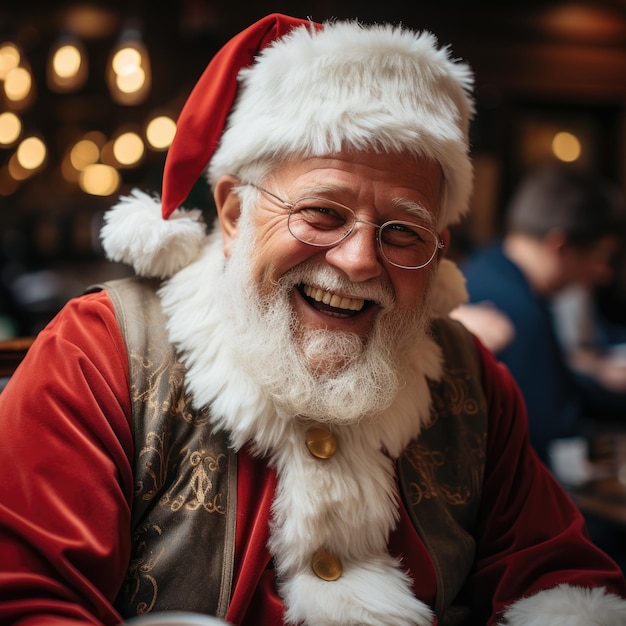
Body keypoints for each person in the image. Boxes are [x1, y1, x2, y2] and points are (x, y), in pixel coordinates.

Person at [0, 13, 625, 626]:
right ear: (234, 213)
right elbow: (28, 599)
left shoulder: (472, 379)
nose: (357, 262)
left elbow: (561, 580)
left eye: (403, 231)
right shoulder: (98, 352)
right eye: (321, 213)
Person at [458, 165, 626, 466]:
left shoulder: (485, 266)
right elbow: (544, 427)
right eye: (603, 257)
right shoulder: (519, 313)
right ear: (559, 245)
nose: (604, 273)